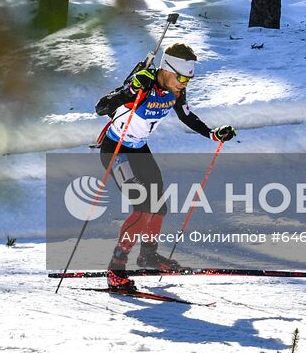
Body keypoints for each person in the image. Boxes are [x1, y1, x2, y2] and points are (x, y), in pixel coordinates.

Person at [92, 42, 235, 292]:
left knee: (159, 206)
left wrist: (212, 134)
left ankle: (148, 256)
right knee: (143, 207)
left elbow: (186, 115)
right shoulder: (142, 84)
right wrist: (130, 89)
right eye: (181, 77)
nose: (184, 83)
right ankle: (116, 269)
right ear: (167, 70)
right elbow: (101, 107)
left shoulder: (176, 91)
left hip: (139, 150)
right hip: (117, 151)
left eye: (189, 79)